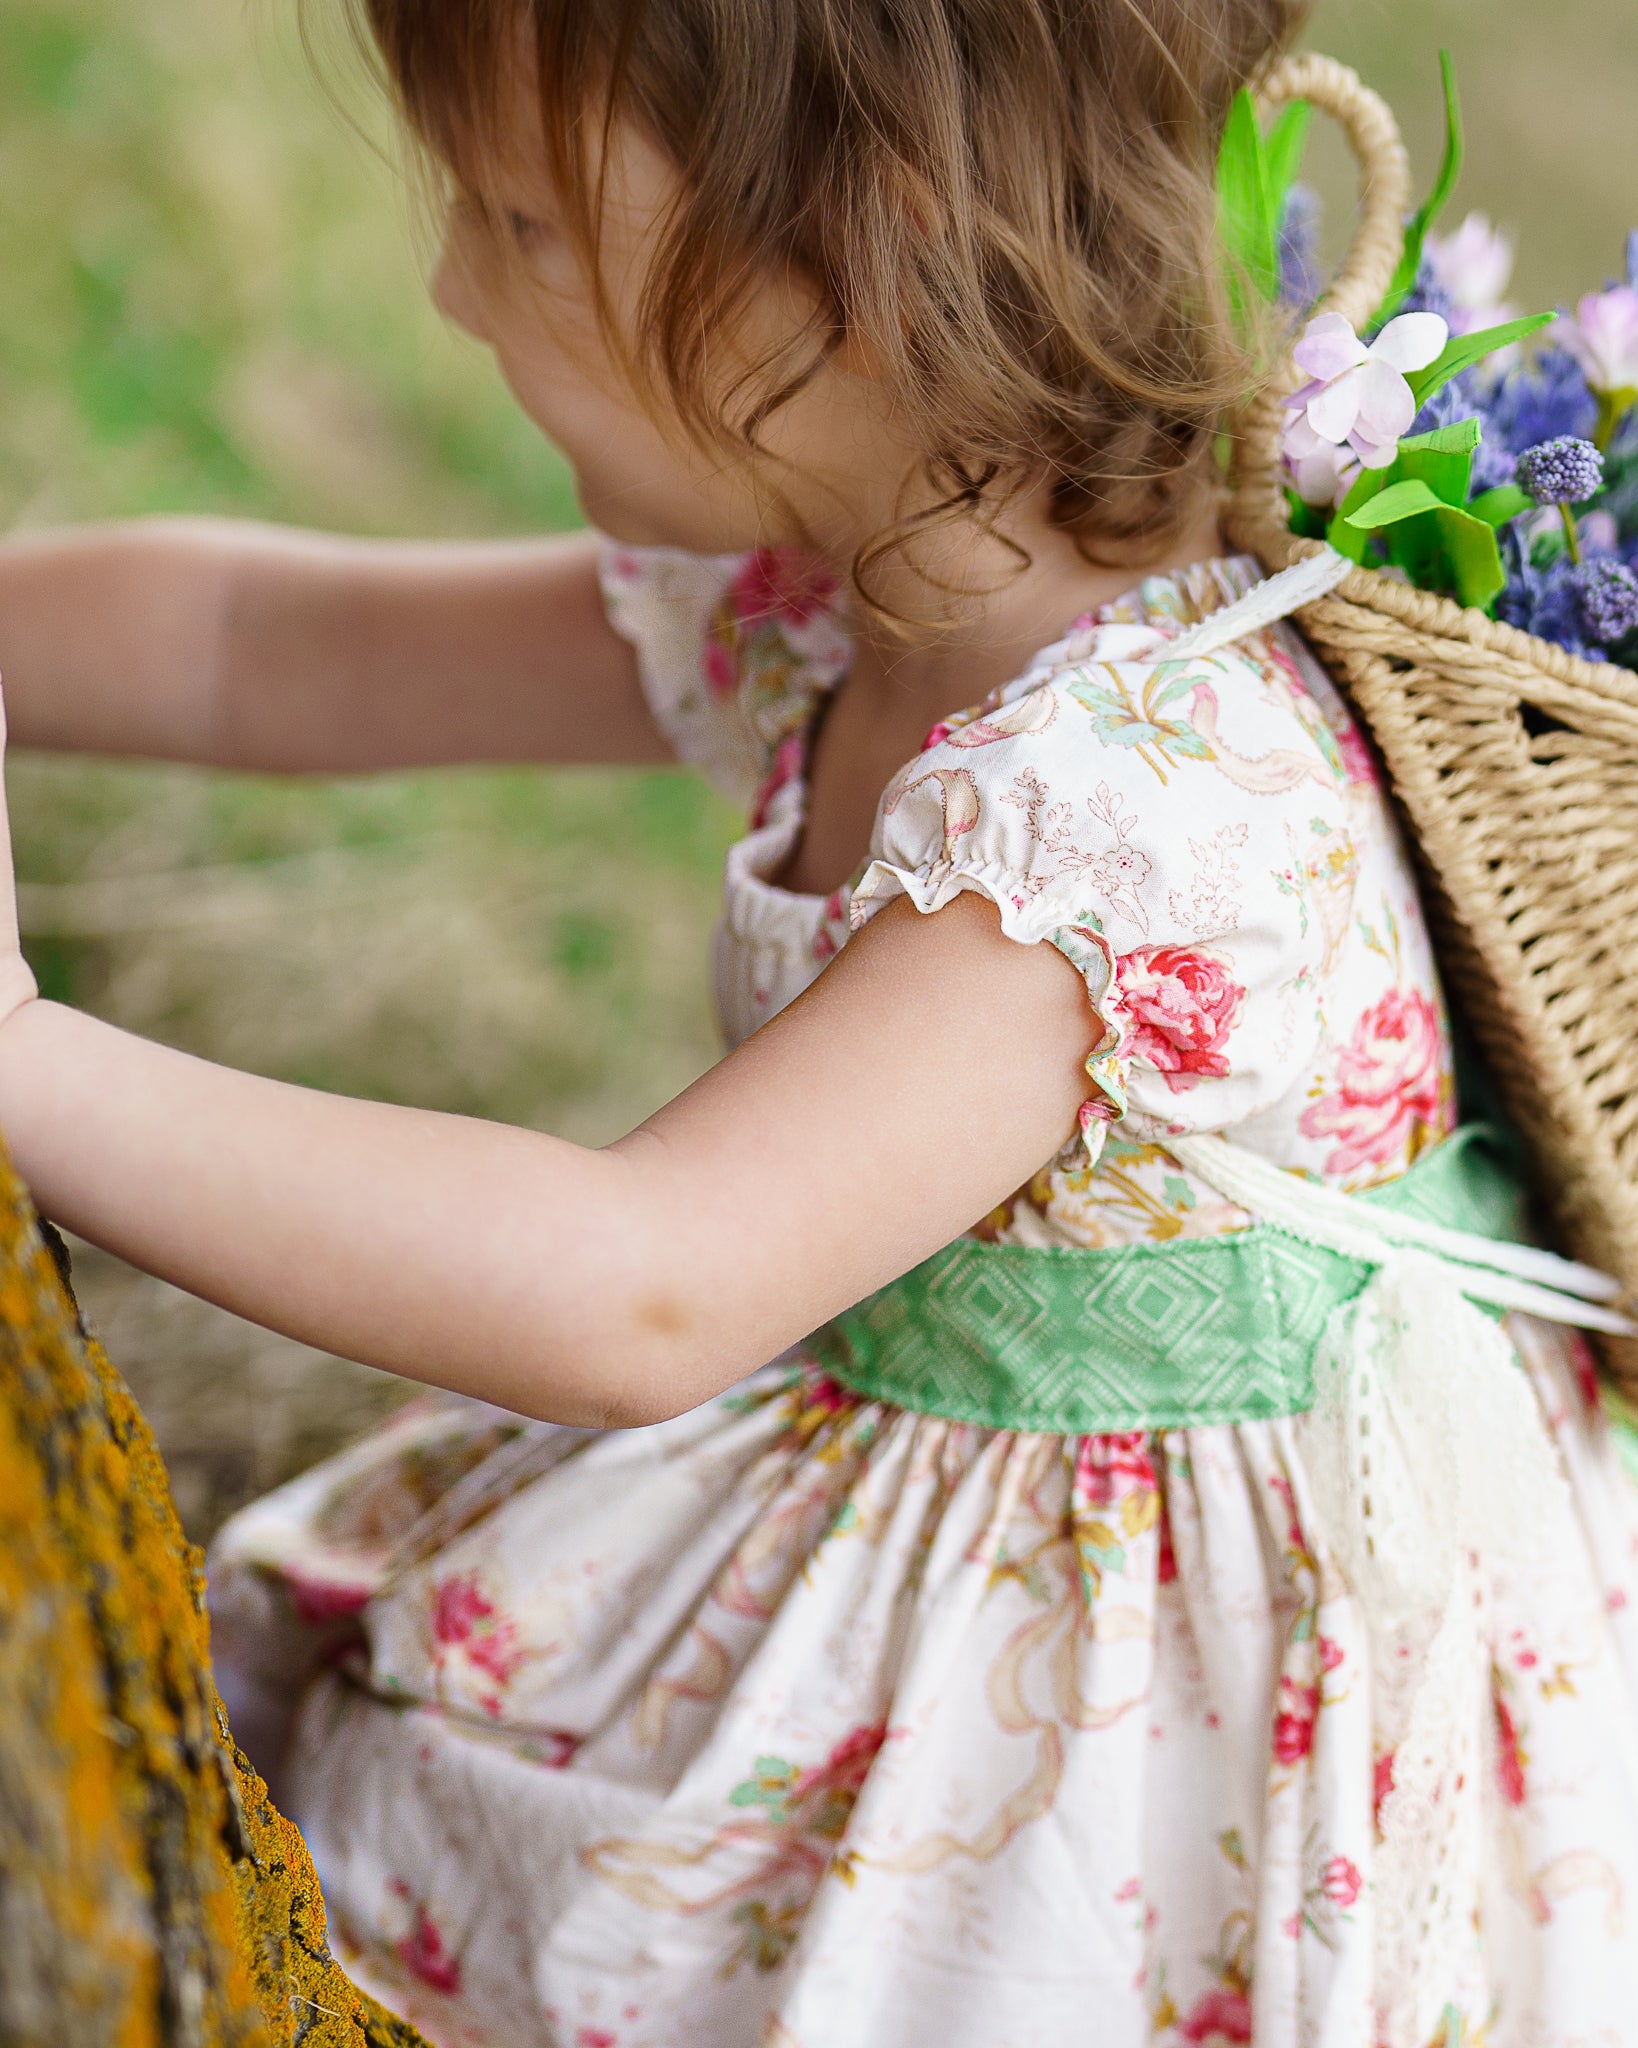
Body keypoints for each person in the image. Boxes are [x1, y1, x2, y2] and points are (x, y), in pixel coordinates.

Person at [2, 2, 1637, 2043]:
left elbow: (644, 1288)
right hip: (931, 1443)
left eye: (520, 223)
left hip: (1134, 1721)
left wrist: (27, 1063)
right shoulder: (873, 568)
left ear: (862, 264)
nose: (447, 284)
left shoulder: (1128, 809)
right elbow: (274, 650)